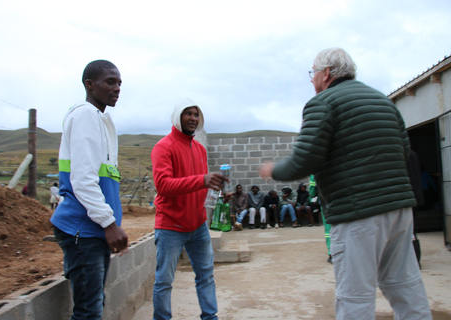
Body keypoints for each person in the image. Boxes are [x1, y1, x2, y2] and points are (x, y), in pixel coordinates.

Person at [259, 48, 431, 319]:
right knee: (405, 286)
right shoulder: (383, 101)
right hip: (399, 211)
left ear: (326, 73)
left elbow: (305, 159)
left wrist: (274, 170)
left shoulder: (323, 102)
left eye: (313, 72)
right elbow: (404, 150)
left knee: (355, 296)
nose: (312, 79)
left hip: (358, 214)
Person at [50, 60, 129, 319]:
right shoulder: (85, 115)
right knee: (88, 311)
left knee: (92, 307)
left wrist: (109, 223)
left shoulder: (99, 118)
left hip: (91, 230)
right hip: (82, 230)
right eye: (110, 82)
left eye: (119, 83)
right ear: (89, 84)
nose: (117, 88)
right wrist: (109, 223)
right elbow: (83, 180)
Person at [151, 98, 226, 320]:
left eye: (196, 114)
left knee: (206, 276)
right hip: (170, 226)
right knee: (164, 281)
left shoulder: (200, 149)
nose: (193, 118)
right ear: (177, 117)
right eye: (188, 114)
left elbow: (201, 184)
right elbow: (163, 186)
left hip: (198, 225)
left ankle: (210, 317)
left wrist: (217, 191)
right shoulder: (163, 147)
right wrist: (203, 180)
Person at [309, 174, 332, 263]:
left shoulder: (315, 172)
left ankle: (331, 253)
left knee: (328, 229)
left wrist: (313, 196)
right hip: (341, 201)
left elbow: (312, 191)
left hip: (326, 201)